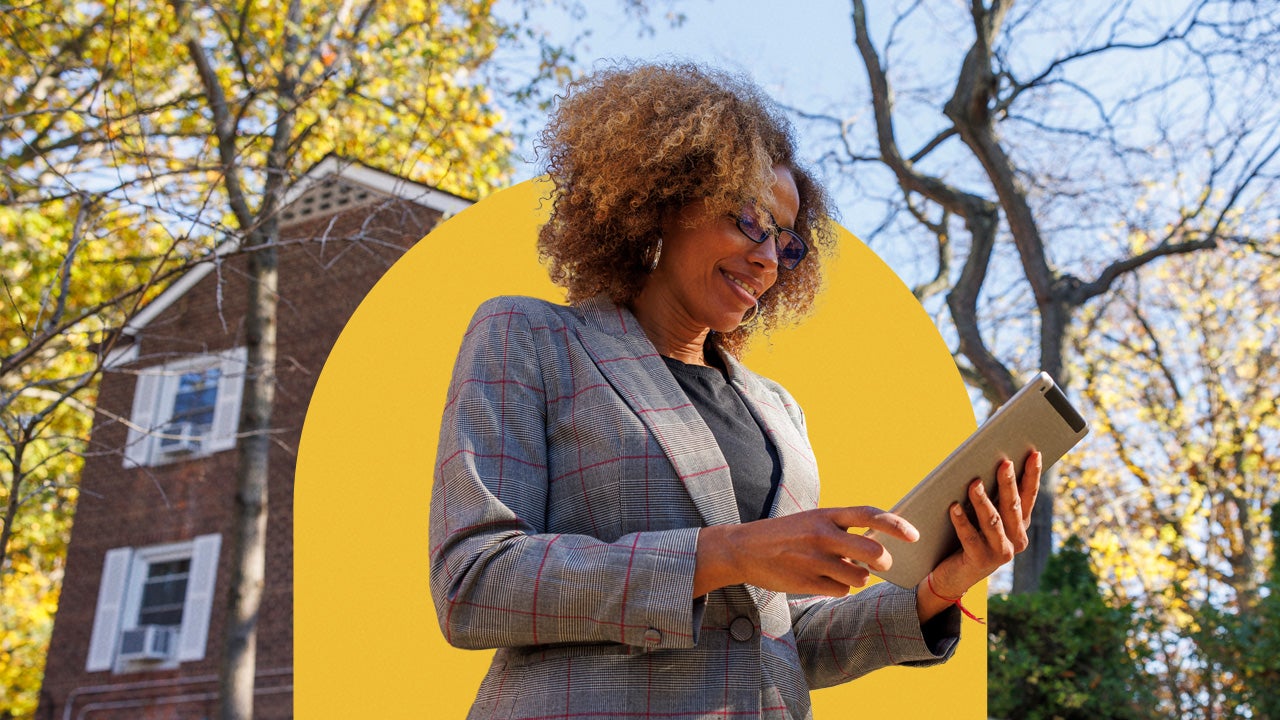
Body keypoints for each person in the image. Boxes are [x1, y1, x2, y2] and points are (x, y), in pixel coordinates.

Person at [429, 61, 1041, 720]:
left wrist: (934, 592)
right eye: (751, 221)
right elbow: (474, 582)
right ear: (664, 201)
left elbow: (779, 637)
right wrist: (725, 554)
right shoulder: (532, 338)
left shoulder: (778, 412)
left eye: (786, 243)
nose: (769, 259)